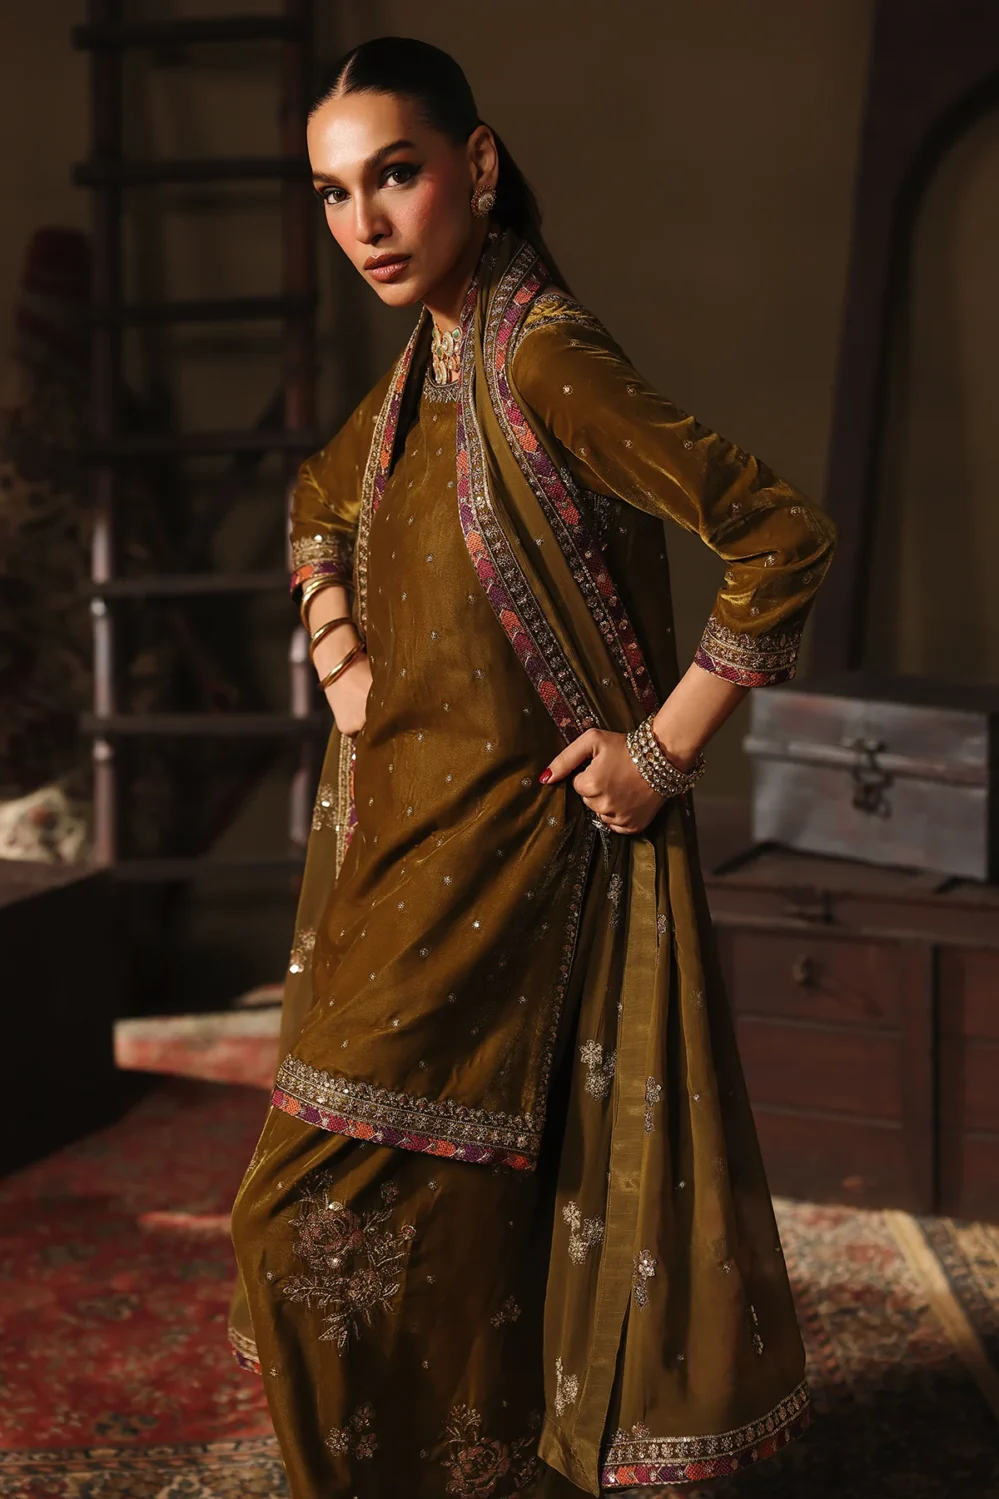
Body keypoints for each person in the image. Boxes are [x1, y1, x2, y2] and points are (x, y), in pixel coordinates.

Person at [230, 35, 836, 1499]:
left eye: (395, 174)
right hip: (400, 853)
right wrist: (340, 654)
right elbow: (317, 498)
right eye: (333, 194)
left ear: (479, 165)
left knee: (293, 1229)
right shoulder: (428, 359)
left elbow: (778, 536)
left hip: (507, 872)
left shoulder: (537, 355)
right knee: (430, 1227)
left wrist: (662, 751)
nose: (365, 223)